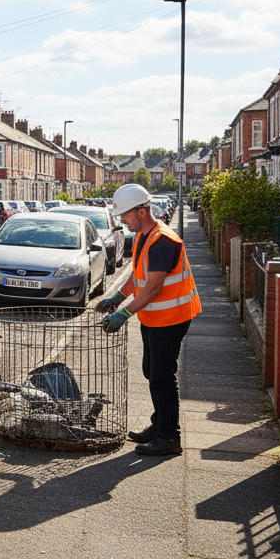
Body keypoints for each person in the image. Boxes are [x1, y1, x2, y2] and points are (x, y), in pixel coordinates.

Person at [97, 183, 201, 457]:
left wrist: (123, 314)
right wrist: (117, 297)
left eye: (125, 215)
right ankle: (160, 425)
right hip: (155, 317)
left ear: (141, 212)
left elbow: (154, 287)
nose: (122, 220)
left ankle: (169, 436)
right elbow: (139, 274)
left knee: (162, 377)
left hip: (172, 317)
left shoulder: (163, 241)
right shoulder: (145, 236)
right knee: (151, 371)